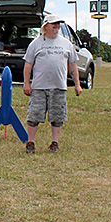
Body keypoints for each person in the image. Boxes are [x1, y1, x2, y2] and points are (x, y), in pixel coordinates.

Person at [22, 14, 82, 154]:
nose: (57, 26)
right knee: (34, 116)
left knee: (58, 117)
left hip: (59, 87)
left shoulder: (66, 44)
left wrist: (77, 84)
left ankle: (55, 143)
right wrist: (26, 83)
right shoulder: (36, 44)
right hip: (39, 87)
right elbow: (28, 65)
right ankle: (31, 142)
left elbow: (72, 65)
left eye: (58, 23)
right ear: (45, 26)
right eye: (54, 23)